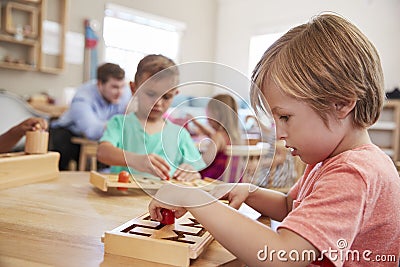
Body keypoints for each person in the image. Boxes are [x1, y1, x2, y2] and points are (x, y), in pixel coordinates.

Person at [148, 13, 400, 266]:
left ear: (341, 104)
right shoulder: (328, 160)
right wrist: (249, 192)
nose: (278, 133)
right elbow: (292, 206)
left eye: (285, 117)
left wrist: (193, 199)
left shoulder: (353, 173)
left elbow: (283, 256)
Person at [97, 54, 205, 181]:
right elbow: (102, 152)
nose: (158, 103)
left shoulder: (180, 134)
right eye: (150, 94)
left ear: (175, 94)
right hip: (122, 198)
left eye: (166, 97)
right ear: (133, 88)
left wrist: (192, 173)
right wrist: (136, 160)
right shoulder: (119, 123)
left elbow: (195, 171)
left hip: (164, 199)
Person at [50, 63, 131, 170]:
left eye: (122, 87)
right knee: (62, 147)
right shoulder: (82, 97)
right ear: (100, 84)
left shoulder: (124, 93)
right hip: (69, 133)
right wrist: (120, 124)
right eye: (114, 87)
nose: (120, 92)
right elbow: (92, 131)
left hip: (98, 136)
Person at [187, 94, 242, 180]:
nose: (207, 118)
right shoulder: (235, 136)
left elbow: (204, 162)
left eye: (208, 114)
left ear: (216, 115)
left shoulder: (218, 136)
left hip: (213, 180)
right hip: (232, 182)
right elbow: (211, 134)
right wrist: (196, 123)